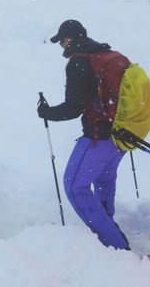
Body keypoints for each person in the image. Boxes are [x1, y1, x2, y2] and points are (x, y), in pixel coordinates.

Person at [36, 19, 133, 250]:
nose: (62, 46)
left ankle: (114, 245)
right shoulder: (107, 54)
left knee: (74, 186)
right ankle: (108, 225)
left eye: (61, 42)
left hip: (98, 136)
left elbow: (73, 107)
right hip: (121, 136)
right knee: (103, 179)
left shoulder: (79, 62)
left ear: (68, 39)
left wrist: (46, 113)